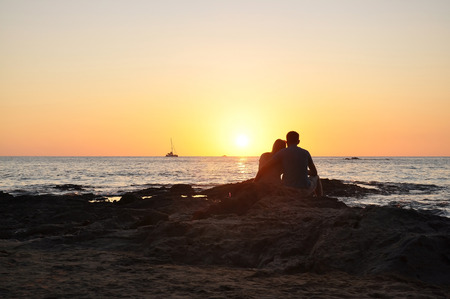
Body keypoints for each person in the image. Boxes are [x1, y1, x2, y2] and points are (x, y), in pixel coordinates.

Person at [255, 131, 323, 197]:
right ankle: (320, 197)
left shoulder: (281, 153)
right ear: (298, 141)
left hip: (287, 190)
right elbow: (314, 172)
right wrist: (304, 171)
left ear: (287, 142)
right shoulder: (306, 152)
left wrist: (255, 181)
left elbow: (265, 167)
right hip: (304, 190)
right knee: (316, 177)